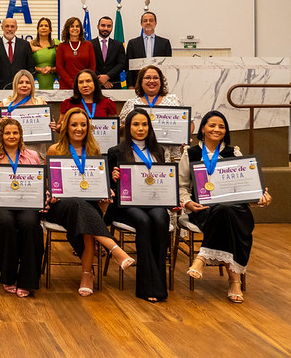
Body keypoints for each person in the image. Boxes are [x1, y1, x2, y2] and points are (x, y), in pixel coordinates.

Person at [178, 110, 271, 303]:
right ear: (202, 128)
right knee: (224, 212)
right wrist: (188, 202)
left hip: (233, 207)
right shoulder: (191, 153)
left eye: (221, 126)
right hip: (202, 209)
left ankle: (202, 257)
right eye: (212, 125)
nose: (216, 129)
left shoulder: (233, 152)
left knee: (226, 209)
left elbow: (247, 184)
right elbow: (181, 186)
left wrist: (260, 195)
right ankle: (234, 280)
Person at [45, 107, 134, 296]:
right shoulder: (55, 149)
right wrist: (50, 192)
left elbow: (97, 180)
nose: (79, 128)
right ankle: (113, 248)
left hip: (86, 203)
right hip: (61, 205)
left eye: (83, 124)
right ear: (66, 127)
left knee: (85, 214)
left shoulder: (94, 150)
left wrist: (104, 191)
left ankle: (87, 274)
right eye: (74, 124)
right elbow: (48, 181)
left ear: (89, 127)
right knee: (79, 205)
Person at [106, 109, 171, 303]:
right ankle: (146, 286)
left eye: (144, 124)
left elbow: (165, 179)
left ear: (149, 127)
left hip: (153, 201)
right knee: (143, 221)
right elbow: (108, 186)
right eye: (136, 124)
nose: (140, 128)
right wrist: (112, 177)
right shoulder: (115, 151)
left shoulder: (158, 150)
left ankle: (159, 284)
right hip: (126, 204)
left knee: (160, 219)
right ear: (128, 127)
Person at [0, 118, 43, 297]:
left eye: (15, 133)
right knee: (6, 222)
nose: (11, 136)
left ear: (20, 135)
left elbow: (41, 182)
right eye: (7, 133)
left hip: (26, 203)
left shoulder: (32, 156)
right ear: (0, 135)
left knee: (30, 223)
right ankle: (8, 276)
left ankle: (27, 280)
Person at [120, 65, 184, 161]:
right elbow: (120, 130)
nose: (152, 81)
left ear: (161, 81)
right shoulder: (131, 103)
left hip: (170, 153)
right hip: (138, 153)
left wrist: (183, 136)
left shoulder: (173, 100)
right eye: (147, 78)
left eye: (155, 78)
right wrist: (134, 127)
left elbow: (189, 124)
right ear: (141, 81)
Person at [0, 70, 48, 158]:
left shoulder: (41, 103)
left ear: (32, 85)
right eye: (20, 82)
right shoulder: (5, 104)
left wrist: (51, 126)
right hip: (10, 153)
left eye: (27, 82)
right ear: (15, 85)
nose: (24, 85)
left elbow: (49, 126)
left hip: (36, 152)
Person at [125, 11, 173, 87]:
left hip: (159, 83)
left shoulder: (165, 43)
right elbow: (128, 66)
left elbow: (168, 66)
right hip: (138, 83)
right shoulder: (132, 43)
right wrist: (130, 85)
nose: (148, 23)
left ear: (155, 23)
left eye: (151, 20)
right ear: (141, 24)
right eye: (145, 21)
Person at [0, 17, 35, 90]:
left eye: (12, 26)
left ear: (16, 28)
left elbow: (30, 67)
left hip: (21, 88)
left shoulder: (25, 45)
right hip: (0, 88)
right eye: (7, 26)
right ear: (2, 27)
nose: (9, 29)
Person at [56, 16, 95, 89]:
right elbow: (59, 67)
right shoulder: (62, 46)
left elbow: (92, 66)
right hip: (66, 85)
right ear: (68, 29)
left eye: (77, 26)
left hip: (85, 86)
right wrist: (72, 83)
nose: (75, 29)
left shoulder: (88, 45)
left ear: (80, 29)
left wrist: (84, 82)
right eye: (72, 26)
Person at [90, 16, 126, 89]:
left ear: (112, 28)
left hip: (114, 85)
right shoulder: (89, 44)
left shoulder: (118, 45)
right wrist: (100, 79)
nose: (106, 28)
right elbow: (88, 64)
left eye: (109, 26)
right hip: (95, 85)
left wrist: (107, 76)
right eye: (103, 25)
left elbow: (121, 64)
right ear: (98, 26)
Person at [30, 17, 58, 90]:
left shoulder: (56, 44)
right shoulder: (30, 44)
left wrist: (51, 69)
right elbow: (26, 65)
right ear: (38, 29)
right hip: (35, 80)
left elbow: (62, 64)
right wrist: (39, 69)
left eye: (46, 26)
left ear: (50, 29)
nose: (43, 28)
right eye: (41, 26)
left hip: (54, 81)